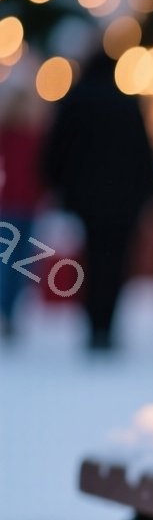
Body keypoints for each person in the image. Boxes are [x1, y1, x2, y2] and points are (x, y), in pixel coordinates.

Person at [41, 53, 153, 351]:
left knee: (91, 261)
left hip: (86, 200)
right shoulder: (127, 103)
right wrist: (149, 193)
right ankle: (108, 325)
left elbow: (57, 148)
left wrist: (57, 184)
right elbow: (144, 154)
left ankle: (94, 326)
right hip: (124, 201)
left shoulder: (75, 102)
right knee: (116, 263)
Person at [0, 75, 47, 341]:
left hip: (23, 204)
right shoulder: (12, 135)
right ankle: (8, 310)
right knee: (14, 261)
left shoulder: (31, 136)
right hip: (13, 205)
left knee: (17, 260)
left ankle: (10, 310)